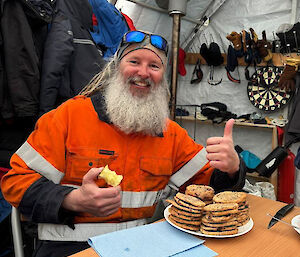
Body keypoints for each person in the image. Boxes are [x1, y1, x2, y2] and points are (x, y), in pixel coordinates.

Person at [1, 30, 246, 257]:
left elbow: (206, 188)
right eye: (134, 62)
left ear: (162, 77)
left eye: (154, 66)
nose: (143, 72)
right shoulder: (69, 117)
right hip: (69, 249)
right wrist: (72, 200)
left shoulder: (169, 134)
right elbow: (15, 182)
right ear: (116, 67)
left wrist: (231, 168)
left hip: (141, 246)